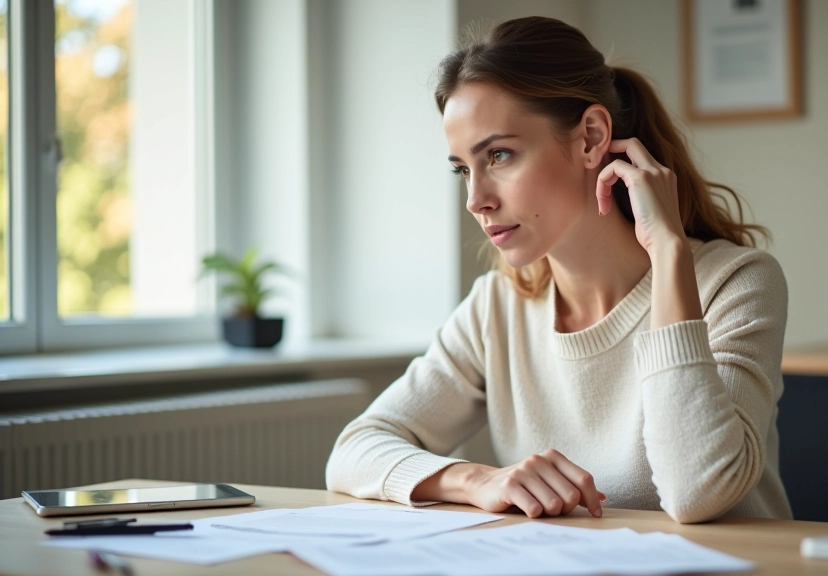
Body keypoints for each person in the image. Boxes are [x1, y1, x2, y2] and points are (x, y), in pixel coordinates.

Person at [326, 16, 792, 524]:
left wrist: (669, 253)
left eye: (499, 155)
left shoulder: (737, 282)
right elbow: (354, 450)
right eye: (463, 168)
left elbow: (697, 491)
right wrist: (478, 479)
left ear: (592, 137)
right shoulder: (497, 306)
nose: (475, 200)